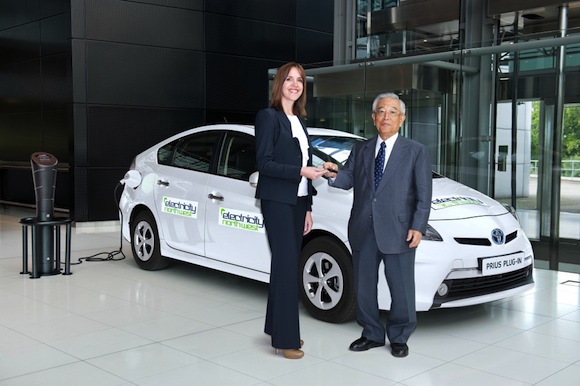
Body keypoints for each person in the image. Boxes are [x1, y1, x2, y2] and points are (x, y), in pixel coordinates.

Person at [323, 92, 432, 358]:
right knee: (363, 287)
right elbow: (348, 178)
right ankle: (371, 333)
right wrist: (332, 173)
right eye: (381, 111)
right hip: (364, 228)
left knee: (402, 288)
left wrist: (418, 226)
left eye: (392, 112)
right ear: (373, 118)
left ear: (402, 118)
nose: (386, 117)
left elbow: (423, 193)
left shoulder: (416, 151)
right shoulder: (361, 149)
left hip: (400, 230)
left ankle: (399, 336)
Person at [255, 62, 327, 359]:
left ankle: (276, 326)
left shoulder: (299, 120)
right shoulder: (268, 117)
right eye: (289, 79)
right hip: (277, 202)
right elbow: (265, 164)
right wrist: (301, 171)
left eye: (299, 80)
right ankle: (286, 340)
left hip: (297, 203)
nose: (295, 84)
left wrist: (308, 206)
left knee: (285, 267)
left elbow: (307, 164)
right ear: (279, 84)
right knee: (286, 268)